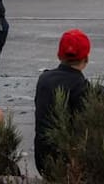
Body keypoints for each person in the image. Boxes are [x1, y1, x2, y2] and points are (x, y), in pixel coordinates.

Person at [34, 29, 92, 177]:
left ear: (59, 55)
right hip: (68, 163)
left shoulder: (44, 79)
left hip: (42, 160)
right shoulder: (81, 87)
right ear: (86, 59)